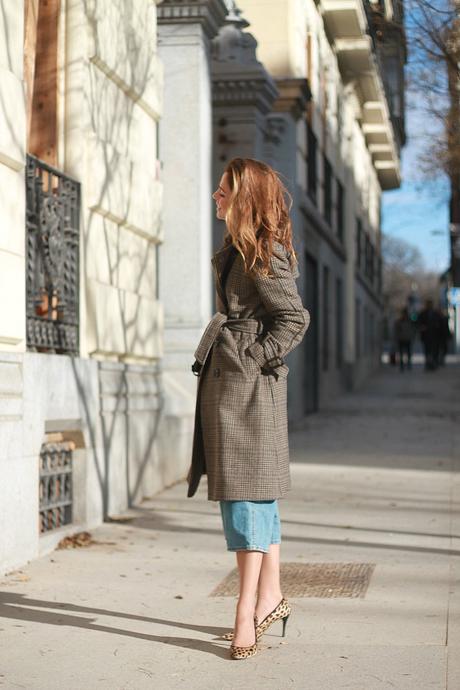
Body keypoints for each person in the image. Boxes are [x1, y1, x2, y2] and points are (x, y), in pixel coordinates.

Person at [187, 157, 310, 660]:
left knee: (244, 499)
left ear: (244, 199)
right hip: (236, 386)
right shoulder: (240, 250)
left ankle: (244, 612)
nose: (216, 198)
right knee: (255, 498)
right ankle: (272, 596)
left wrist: (252, 360)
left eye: (223, 192)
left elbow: (294, 319)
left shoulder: (264, 253)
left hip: (249, 389)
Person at [417, 300, 441, 371]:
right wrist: (422, 327)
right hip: (426, 336)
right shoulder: (423, 313)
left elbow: (439, 324)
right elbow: (419, 323)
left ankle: (433, 364)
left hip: (434, 336)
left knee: (434, 351)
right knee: (427, 351)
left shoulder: (435, 314)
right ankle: (428, 364)